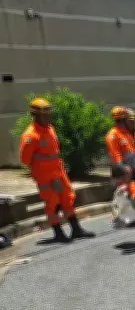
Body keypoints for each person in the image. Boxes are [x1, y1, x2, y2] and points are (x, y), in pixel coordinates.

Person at [20, 98, 95, 243]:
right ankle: (58, 233)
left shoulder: (50, 129)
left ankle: (76, 229)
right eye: (45, 114)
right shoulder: (30, 136)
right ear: (36, 115)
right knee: (52, 203)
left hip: (58, 172)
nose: (48, 116)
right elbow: (25, 160)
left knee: (68, 198)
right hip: (44, 175)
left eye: (49, 113)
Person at [105, 106, 135, 205]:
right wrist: (126, 169)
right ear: (124, 120)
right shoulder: (113, 135)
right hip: (124, 172)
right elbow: (116, 157)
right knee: (132, 197)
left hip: (133, 170)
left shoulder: (127, 134)